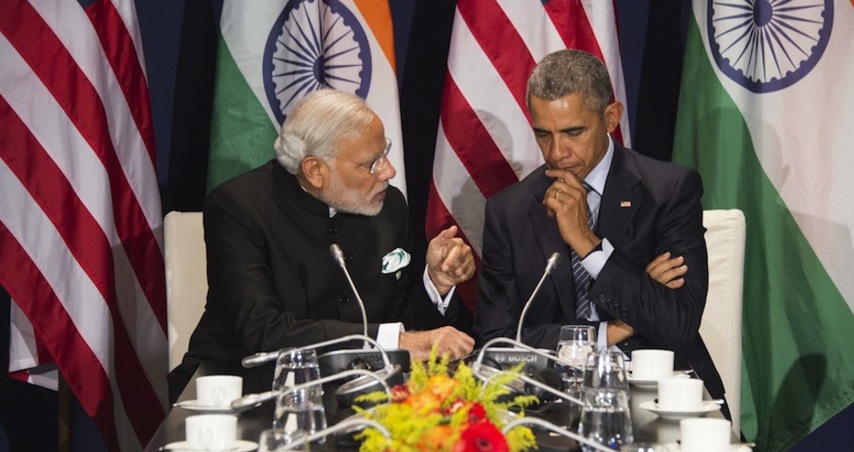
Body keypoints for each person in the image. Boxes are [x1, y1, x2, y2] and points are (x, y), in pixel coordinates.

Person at [170, 90, 475, 400]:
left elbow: (409, 331)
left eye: (385, 153)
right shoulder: (239, 207)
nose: (389, 171)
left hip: (359, 395)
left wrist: (436, 283)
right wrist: (394, 339)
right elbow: (261, 331)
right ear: (315, 170)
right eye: (371, 163)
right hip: (238, 392)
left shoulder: (389, 206)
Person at [474, 49, 727, 415]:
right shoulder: (509, 210)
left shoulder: (669, 190)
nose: (557, 153)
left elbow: (677, 324)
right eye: (543, 135)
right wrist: (612, 329)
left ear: (610, 117)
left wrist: (589, 246)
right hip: (547, 403)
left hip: (660, 395)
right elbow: (496, 343)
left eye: (573, 132)